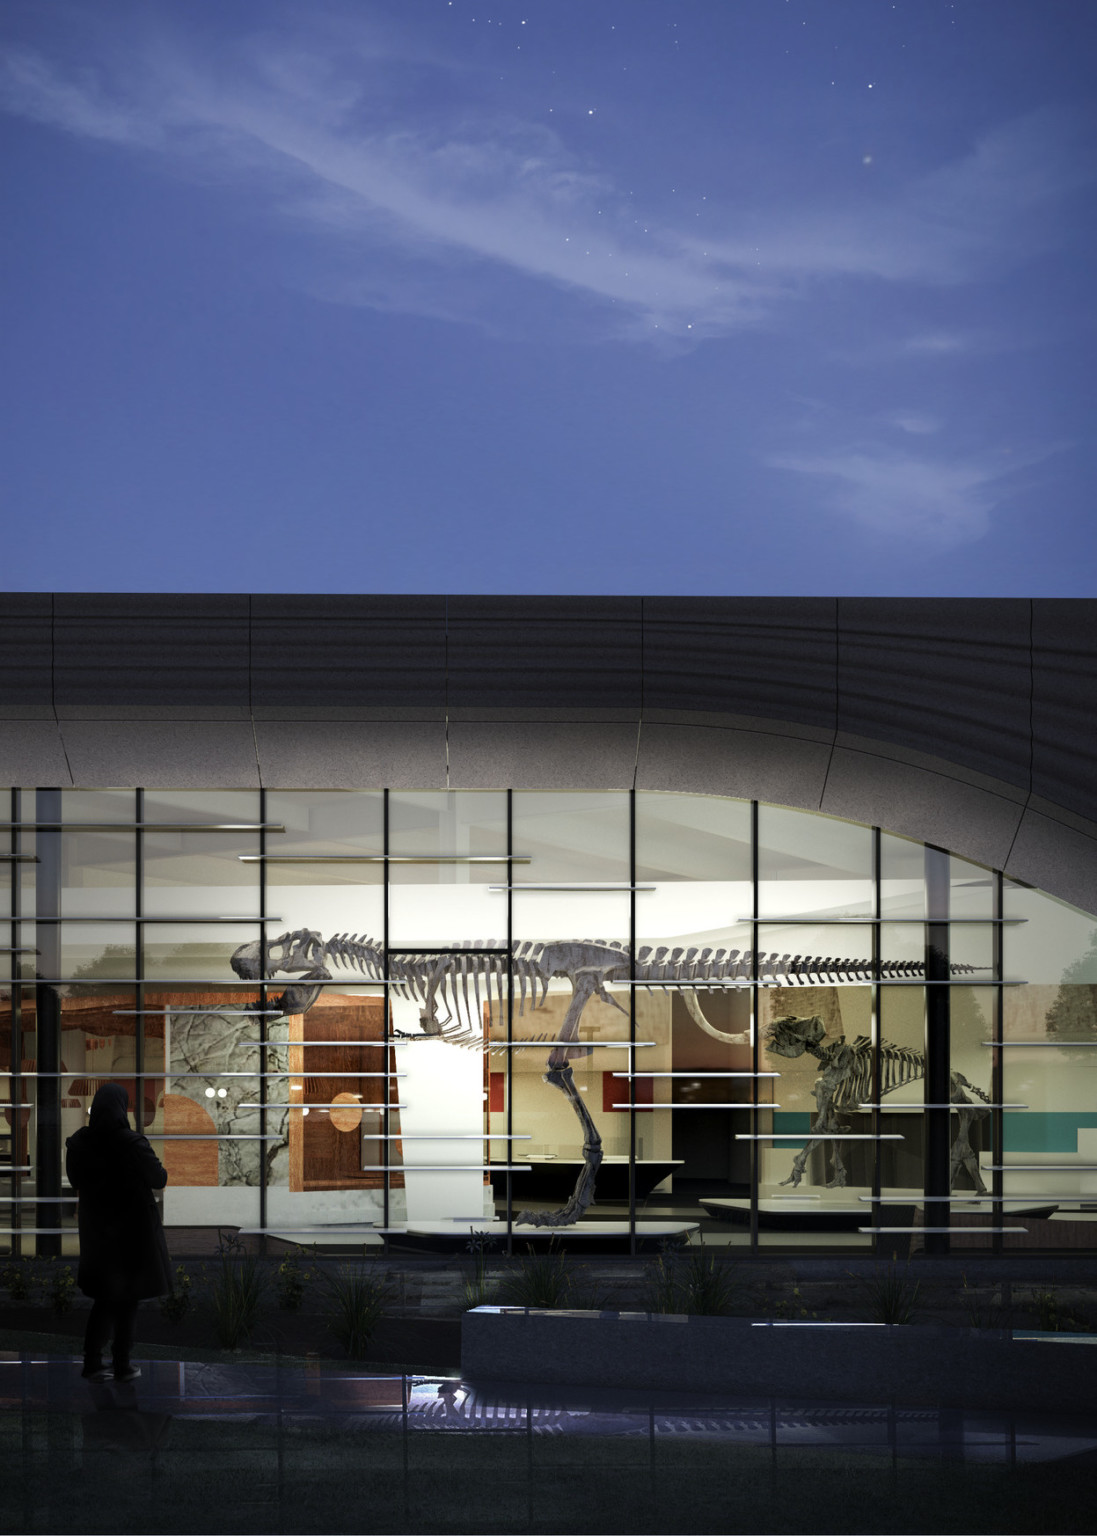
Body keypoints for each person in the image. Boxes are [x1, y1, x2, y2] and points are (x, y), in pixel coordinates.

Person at [65, 1082, 171, 1382]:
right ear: (121, 1107)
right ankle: (122, 1363)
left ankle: (93, 1361)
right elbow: (158, 1178)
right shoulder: (132, 1143)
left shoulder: (79, 1144)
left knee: (105, 1297)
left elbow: (75, 1181)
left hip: (98, 1232)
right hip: (132, 1233)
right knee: (128, 1298)